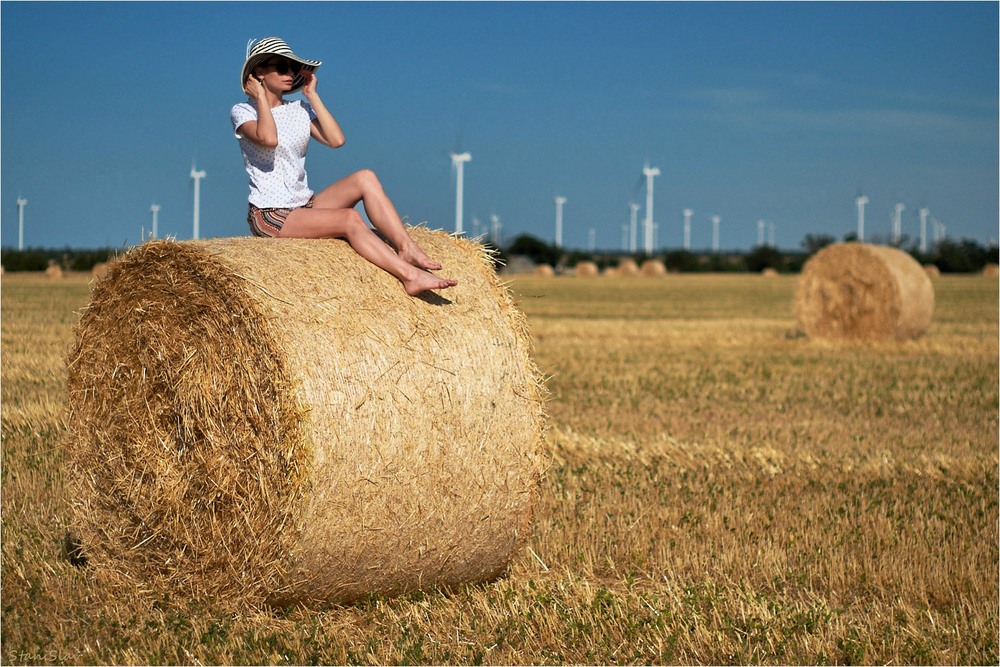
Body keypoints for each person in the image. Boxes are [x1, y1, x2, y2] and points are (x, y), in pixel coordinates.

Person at [231, 37, 457, 296]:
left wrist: (312, 95)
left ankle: (406, 246)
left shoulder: (300, 109)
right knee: (350, 218)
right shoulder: (243, 112)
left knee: (366, 177)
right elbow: (268, 139)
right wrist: (260, 97)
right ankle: (409, 276)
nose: (289, 73)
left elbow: (336, 140)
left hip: (304, 205)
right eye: (281, 67)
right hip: (271, 214)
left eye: (292, 68)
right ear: (258, 72)